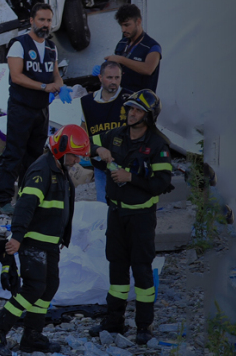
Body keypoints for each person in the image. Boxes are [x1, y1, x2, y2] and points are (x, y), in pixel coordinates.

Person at [0, 125, 89, 354]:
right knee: (33, 287)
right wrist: (18, 237)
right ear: (60, 149)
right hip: (34, 241)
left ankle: (32, 336)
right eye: (74, 154)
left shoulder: (58, 169)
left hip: (50, 242)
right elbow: (25, 206)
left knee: (49, 287)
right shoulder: (42, 171)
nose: (76, 160)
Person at [88, 90, 174, 346]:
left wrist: (131, 178)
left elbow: (162, 183)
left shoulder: (158, 144)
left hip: (141, 219)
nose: (131, 113)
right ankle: (114, 322)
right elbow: (86, 142)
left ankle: (144, 327)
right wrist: (100, 148)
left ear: (148, 116)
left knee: (142, 271)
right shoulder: (116, 135)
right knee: (116, 267)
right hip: (116, 214)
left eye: (137, 110)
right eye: (130, 109)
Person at [0, 3, 64, 215]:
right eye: (41, 20)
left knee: (34, 156)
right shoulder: (19, 44)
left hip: (41, 110)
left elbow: (55, 74)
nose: (45, 24)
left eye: (49, 20)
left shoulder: (51, 48)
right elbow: (17, 76)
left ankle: (27, 197)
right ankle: (2, 199)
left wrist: (59, 85)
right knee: (14, 153)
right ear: (32, 20)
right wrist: (44, 86)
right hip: (21, 107)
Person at [81, 61, 127, 202]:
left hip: (125, 165)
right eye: (110, 78)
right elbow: (84, 132)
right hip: (100, 165)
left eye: (117, 78)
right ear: (100, 78)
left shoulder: (129, 99)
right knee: (103, 208)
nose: (114, 82)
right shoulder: (87, 102)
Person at [106, 4, 162, 93]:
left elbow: (148, 69)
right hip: (120, 97)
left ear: (138, 22)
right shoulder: (122, 43)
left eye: (127, 25)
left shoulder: (152, 46)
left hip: (141, 102)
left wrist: (121, 59)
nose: (123, 30)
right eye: (121, 26)